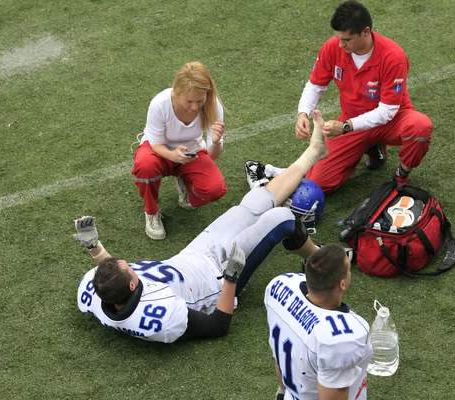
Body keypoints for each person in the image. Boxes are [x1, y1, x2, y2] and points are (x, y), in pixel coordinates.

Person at [74, 112, 330, 343]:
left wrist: (95, 248)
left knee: (252, 205)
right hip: (217, 277)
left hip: (191, 256)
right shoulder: (158, 317)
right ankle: (319, 261)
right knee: (281, 218)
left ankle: (314, 152)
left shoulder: (98, 289)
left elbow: (111, 278)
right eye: (129, 268)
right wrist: (231, 277)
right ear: (132, 286)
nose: (130, 264)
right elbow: (217, 325)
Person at [294, 0, 433, 193]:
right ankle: (372, 148)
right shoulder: (332, 47)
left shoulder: (393, 56)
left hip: (390, 121)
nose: (340, 45)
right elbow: (315, 85)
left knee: (420, 128)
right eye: (338, 38)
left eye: (347, 40)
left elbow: (387, 111)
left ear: (366, 32)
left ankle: (401, 174)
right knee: (318, 184)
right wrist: (303, 113)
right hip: (351, 124)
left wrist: (344, 127)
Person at [131, 61, 228, 240]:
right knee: (145, 165)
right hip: (159, 150)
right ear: (176, 91)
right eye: (189, 101)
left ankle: (185, 186)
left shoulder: (213, 105)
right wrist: (172, 156)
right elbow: (155, 144)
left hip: (192, 151)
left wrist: (215, 143)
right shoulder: (160, 104)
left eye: (200, 101)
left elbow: (212, 156)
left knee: (215, 189)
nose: (194, 107)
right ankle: (151, 211)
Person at [265, 244, 373, 400]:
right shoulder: (341, 337)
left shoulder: (280, 285)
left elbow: (280, 355)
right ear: (342, 283)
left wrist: (282, 391)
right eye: (349, 269)